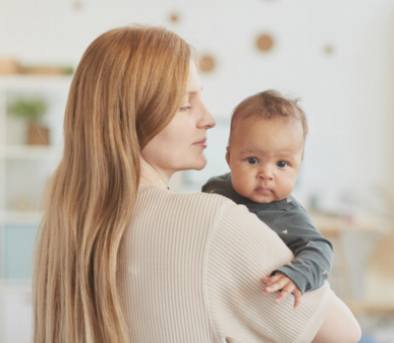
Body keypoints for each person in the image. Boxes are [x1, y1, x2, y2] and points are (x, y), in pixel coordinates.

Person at [33, 25, 361, 343]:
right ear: (133, 117)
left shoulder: (68, 222)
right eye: (186, 104)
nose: (208, 119)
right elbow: (344, 332)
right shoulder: (210, 220)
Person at [203, 90, 333, 308]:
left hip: (259, 301)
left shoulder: (290, 216)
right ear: (229, 158)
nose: (266, 173)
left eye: (282, 164)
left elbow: (321, 250)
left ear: (298, 166)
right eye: (253, 160)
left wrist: (295, 275)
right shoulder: (215, 188)